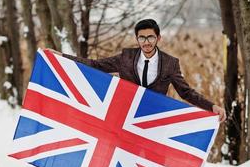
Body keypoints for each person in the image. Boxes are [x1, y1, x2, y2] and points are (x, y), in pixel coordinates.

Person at [48, 19, 226, 122]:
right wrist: (62, 57)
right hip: (125, 119)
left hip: (153, 121)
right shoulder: (126, 57)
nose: (146, 42)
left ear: (158, 38)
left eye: (150, 37)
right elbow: (96, 65)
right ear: (137, 39)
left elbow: (186, 93)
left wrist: (212, 107)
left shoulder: (170, 63)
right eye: (142, 37)